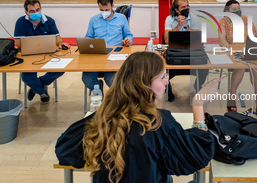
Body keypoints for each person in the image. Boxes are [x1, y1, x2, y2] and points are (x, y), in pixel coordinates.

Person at [56, 51, 217, 183]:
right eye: (162, 77)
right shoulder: (159, 122)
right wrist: (198, 105)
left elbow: (64, 150)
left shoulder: (103, 117)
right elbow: (197, 155)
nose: (167, 82)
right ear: (144, 84)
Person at [14, 0, 70, 104]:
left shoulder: (50, 21)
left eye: (38, 9)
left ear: (41, 8)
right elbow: (19, 43)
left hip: (48, 54)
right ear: (26, 12)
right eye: (32, 11)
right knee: (27, 78)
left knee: (60, 70)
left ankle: (38, 85)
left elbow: (57, 37)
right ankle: (42, 91)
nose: (36, 13)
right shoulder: (21, 22)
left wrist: (60, 43)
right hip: (28, 56)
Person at [218, 0, 257, 117]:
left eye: (238, 9)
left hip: (248, 50)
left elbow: (255, 37)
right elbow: (221, 38)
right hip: (232, 52)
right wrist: (225, 44)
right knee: (240, 66)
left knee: (255, 67)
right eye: (234, 9)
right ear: (227, 11)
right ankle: (232, 97)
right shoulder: (223, 21)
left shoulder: (246, 20)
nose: (237, 11)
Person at [82, 0, 133, 92]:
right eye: (101, 10)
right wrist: (87, 44)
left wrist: (127, 40)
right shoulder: (94, 19)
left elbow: (128, 34)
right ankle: (97, 90)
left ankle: (114, 100)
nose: (104, 12)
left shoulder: (121, 18)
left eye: (107, 10)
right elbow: (88, 37)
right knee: (87, 79)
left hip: (115, 54)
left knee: (112, 81)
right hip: (97, 54)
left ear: (112, 6)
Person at [164, 0, 209, 101]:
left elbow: (196, 39)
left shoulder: (192, 17)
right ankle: (167, 88)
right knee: (163, 70)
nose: (187, 8)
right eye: (183, 7)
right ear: (176, 10)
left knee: (205, 67)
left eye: (188, 6)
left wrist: (186, 26)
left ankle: (198, 85)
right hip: (175, 51)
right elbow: (166, 40)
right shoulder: (169, 19)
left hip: (190, 50)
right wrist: (179, 27)